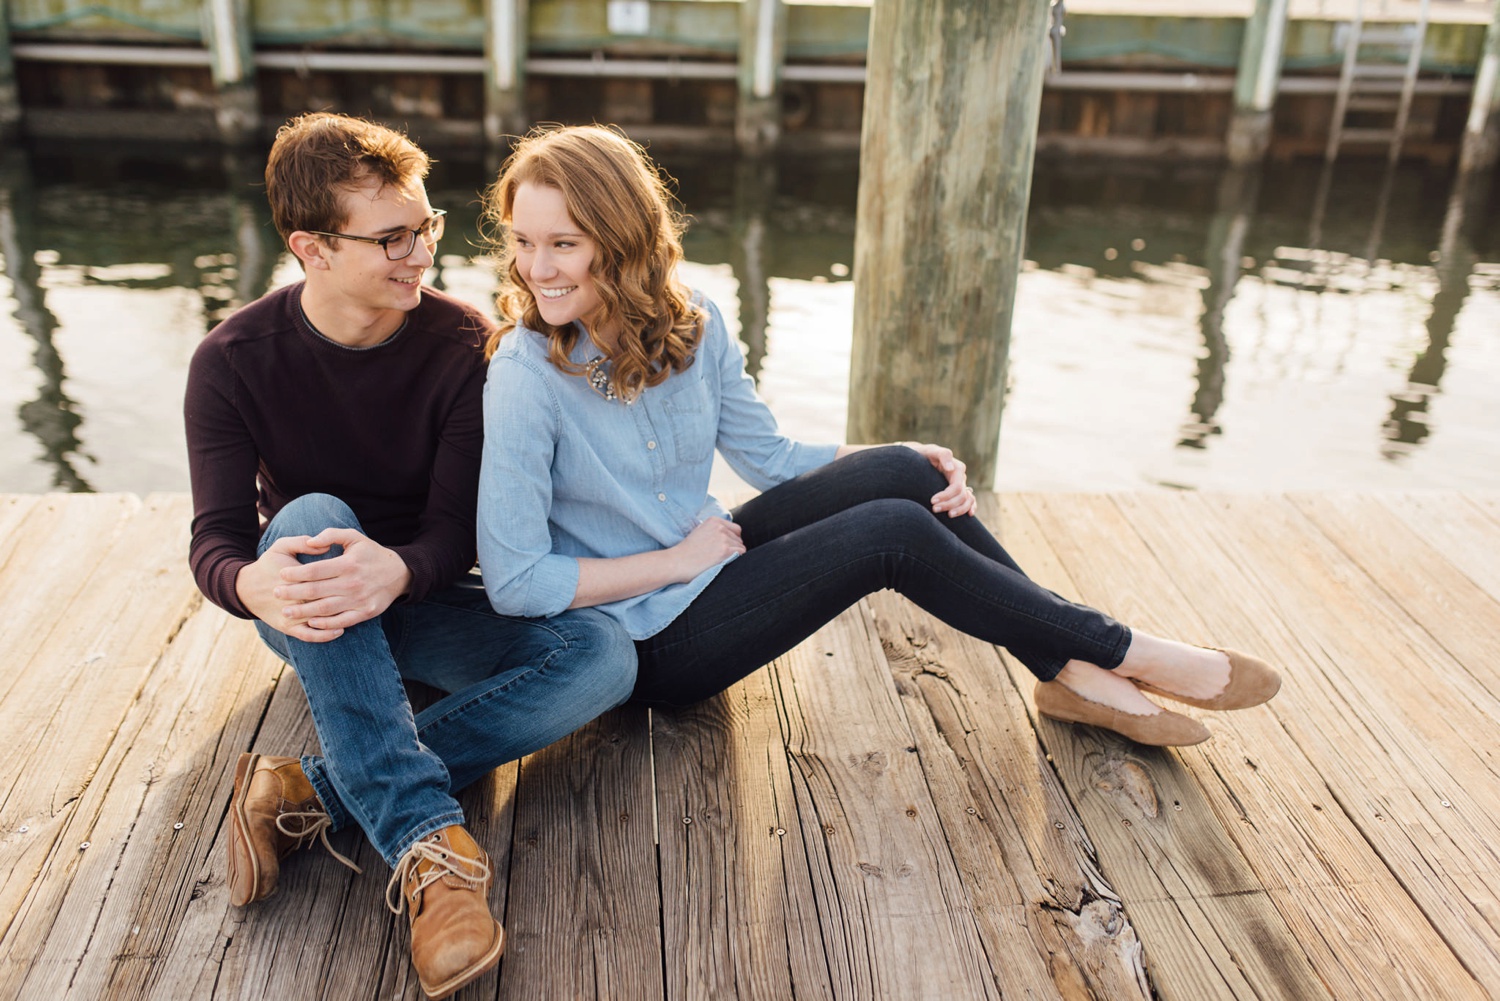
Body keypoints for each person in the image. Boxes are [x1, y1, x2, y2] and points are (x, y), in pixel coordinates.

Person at [474, 124, 1279, 753]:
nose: (536, 267)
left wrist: (902, 453)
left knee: (901, 477)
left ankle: (1070, 672)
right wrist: (677, 561)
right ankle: (1126, 650)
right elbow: (515, 582)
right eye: (522, 240)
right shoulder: (524, 375)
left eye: (563, 243)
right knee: (891, 535)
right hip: (647, 641)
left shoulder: (696, 322)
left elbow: (772, 459)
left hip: (710, 557)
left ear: (620, 241)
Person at [184, 113, 636, 1000]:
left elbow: (461, 527)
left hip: (421, 591)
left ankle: (304, 790)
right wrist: (248, 584)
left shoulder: (464, 346)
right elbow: (217, 540)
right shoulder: (230, 361)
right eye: (390, 237)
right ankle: (430, 846)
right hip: (310, 604)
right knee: (311, 517)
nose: (420, 252)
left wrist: (403, 570)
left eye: (424, 226)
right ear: (310, 247)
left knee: (603, 655)